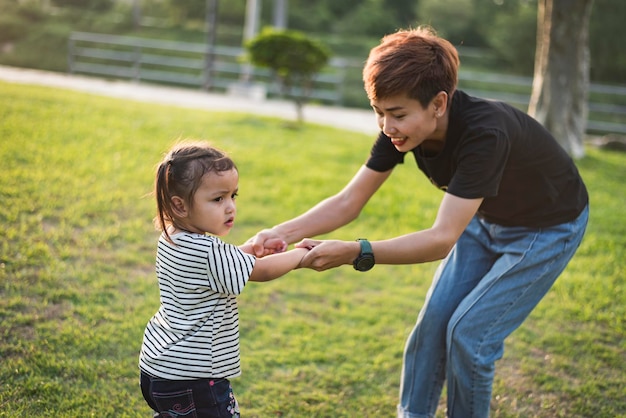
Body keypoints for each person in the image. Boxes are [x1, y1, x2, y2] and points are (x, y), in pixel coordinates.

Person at [249, 26, 589, 418]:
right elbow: (349, 200)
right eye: (378, 113)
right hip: (484, 222)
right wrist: (281, 233)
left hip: (547, 228)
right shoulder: (399, 131)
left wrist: (356, 252)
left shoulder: (485, 133)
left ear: (439, 103)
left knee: (469, 335)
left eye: (396, 115)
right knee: (432, 330)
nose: (386, 126)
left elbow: (442, 238)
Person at [139, 141, 309, 418]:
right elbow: (261, 271)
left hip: (159, 367)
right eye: (218, 199)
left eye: (233, 196)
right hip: (193, 379)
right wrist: (300, 255)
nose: (230, 207)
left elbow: (217, 267)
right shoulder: (207, 250)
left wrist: (249, 250)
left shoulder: (173, 239)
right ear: (180, 205)